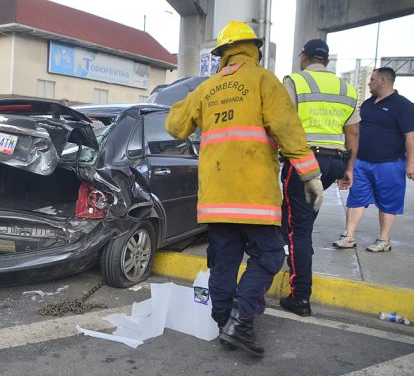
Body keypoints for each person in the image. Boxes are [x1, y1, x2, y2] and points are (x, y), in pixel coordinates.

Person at [165, 21, 323, 357]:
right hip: (255, 198)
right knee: (267, 256)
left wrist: (189, 101)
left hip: (216, 199)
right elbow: (287, 128)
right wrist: (311, 174)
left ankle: (225, 322)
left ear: (223, 53)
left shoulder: (207, 89)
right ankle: (241, 317)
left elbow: (174, 125)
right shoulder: (264, 80)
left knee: (223, 261)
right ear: (254, 49)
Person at [279, 39, 359, 317]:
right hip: (334, 161)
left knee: (297, 229)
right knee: (296, 220)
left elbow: (282, 122)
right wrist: (349, 168)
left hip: (304, 162)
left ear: (305, 56)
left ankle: (300, 296)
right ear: (325, 60)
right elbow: (353, 132)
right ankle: (294, 256)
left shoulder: (295, 81)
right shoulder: (346, 88)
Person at [333, 67, 414, 252]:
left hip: (390, 163)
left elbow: (411, 136)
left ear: (383, 81)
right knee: (356, 199)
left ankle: (383, 240)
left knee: (388, 202)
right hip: (362, 162)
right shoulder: (369, 104)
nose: (369, 83)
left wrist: (411, 163)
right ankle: (349, 235)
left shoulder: (404, 106)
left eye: (372, 79)